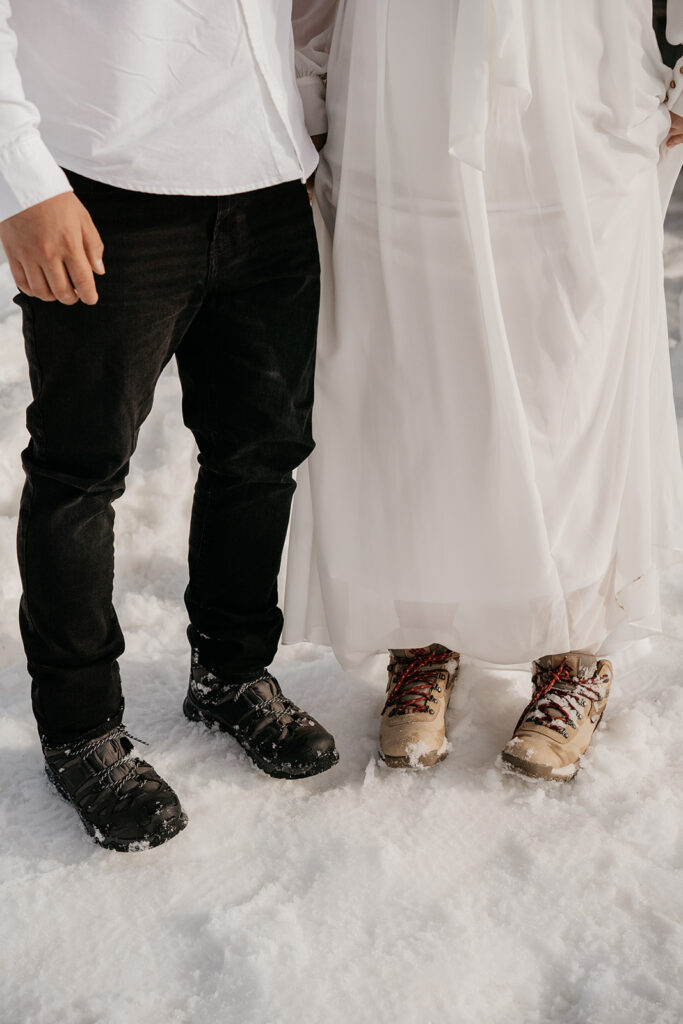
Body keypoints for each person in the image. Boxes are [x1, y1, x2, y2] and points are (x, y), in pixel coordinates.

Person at [284, 0, 683, 780]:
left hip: (580, 82)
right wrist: (303, 86)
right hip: (397, 84)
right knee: (414, 367)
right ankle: (423, 628)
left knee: (568, 369)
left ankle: (575, 652)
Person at [1, 0, 339, 853]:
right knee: (81, 474)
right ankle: (78, 729)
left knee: (260, 455)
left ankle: (230, 673)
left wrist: (300, 120)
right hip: (108, 184)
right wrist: (21, 182)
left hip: (266, 179)